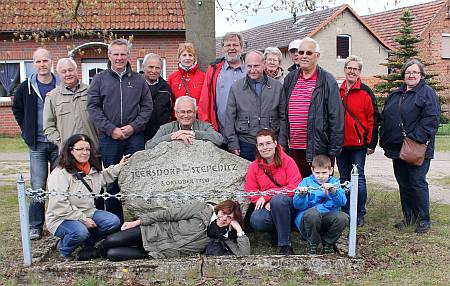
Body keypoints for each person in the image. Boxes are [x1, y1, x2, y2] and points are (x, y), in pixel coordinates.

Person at [88, 39, 153, 224]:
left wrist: (134, 127)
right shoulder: (99, 79)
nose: (119, 58)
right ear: (109, 56)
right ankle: (115, 223)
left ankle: (140, 222)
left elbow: (147, 108)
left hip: (134, 137)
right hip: (109, 139)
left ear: (128, 55)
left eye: (122, 54)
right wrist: (111, 129)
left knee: (137, 179)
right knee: (111, 182)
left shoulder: (139, 80)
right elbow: (93, 108)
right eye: (115, 54)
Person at [76, 200, 250, 261]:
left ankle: (104, 253)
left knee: (114, 254)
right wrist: (138, 222)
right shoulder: (202, 209)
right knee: (111, 241)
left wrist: (239, 231)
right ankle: (96, 252)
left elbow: (243, 255)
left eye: (229, 217)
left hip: (160, 252)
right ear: (218, 209)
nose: (223, 218)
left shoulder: (223, 238)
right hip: (154, 232)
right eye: (223, 213)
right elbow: (169, 214)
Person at [379, 59, 440, 234]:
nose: (411, 75)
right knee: (404, 184)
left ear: (421, 75)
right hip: (398, 149)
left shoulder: (427, 94)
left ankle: (423, 219)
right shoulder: (396, 94)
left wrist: (414, 139)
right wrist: (385, 139)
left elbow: (431, 121)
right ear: (403, 75)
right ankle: (409, 217)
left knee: (417, 182)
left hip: (417, 149)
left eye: (415, 72)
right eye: (408, 72)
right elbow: (386, 118)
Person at [46, 134, 129, 259]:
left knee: (113, 222)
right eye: (80, 149)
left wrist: (119, 166)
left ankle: (86, 244)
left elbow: (104, 178)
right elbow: (59, 204)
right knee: (80, 232)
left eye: (87, 149)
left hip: (88, 211)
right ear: (70, 150)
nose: (85, 153)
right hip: (62, 217)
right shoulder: (60, 173)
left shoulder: (92, 168)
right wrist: (82, 219)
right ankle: (64, 249)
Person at [12, 47, 59, 240]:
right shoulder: (26, 87)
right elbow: (17, 109)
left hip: (58, 143)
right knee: (38, 186)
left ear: (51, 62)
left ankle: (58, 223)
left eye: (45, 61)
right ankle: (35, 226)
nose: (42, 65)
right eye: (38, 62)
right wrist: (26, 131)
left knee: (59, 186)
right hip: (37, 144)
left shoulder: (60, 84)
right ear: (34, 64)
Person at [283, 37, 344, 179]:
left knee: (318, 190)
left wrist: (333, 152)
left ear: (317, 56)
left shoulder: (328, 80)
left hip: (319, 148)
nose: (304, 56)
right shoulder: (290, 79)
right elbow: (283, 113)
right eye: (301, 52)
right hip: (294, 148)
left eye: (309, 53)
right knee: (297, 189)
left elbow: (336, 118)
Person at [336, 55, 380, 228]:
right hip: (341, 144)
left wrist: (371, 143)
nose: (352, 71)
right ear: (345, 69)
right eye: (349, 68)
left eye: (355, 69)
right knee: (344, 179)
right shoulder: (338, 91)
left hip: (358, 145)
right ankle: (346, 210)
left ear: (359, 71)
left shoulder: (365, 92)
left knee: (359, 179)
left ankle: (360, 212)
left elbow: (373, 118)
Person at [245, 129, 301, 255]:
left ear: (275, 143)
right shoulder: (254, 166)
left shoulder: (288, 162)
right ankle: (276, 233)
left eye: (268, 143)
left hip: (288, 205)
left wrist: (268, 196)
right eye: (261, 144)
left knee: (278, 200)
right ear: (257, 147)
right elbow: (251, 191)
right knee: (256, 219)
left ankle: (285, 245)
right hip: (268, 208)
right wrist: (265, 203)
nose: (265, 147)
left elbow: (294, 187)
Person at [225, 50, 287, 161]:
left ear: (263, 64)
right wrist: (233, 143)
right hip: (245, 143)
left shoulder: (277, 87)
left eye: (256, 66)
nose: (252, 70)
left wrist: (281, 143)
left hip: (270, 144)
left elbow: (283, 118)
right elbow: (229, 117)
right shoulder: (236, 88)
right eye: (249, 66)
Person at [293, 155, 348, 255]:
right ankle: (312, 244)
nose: (321, 176)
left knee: (343, 217)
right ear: (312, 171)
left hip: (327, 217)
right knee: (312, 214)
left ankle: (328, 243)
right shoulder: (305, 182)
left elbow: (342, 202)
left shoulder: (335, 183)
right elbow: (297, 206)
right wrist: (301, 195)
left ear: (330, 171)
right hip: (308, 219)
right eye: (317, 173)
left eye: (324, 173)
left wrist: (333, 191)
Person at [43, 58, 98, 149]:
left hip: (92, 150)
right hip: (68, 153)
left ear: (76, 71)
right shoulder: (52, 97)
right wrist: (61, 143)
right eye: (64, 72)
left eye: (70, 70)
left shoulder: (91, 92)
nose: (68, 74)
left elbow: (101, 118)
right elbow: (48, 127)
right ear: (59, 75)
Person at [198, 32, 247, 133]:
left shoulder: (250, 69)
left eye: (235, 45)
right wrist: (206, 126)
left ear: (241, 47)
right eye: (228, 45)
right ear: (223, 48)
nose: (231, 48)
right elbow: (205, 100)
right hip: (220, 131)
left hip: (247, 133)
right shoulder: (214, 70)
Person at [145, 96, 223, 149]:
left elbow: (219, 140)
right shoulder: (165, 128)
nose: (185, 116)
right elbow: (149, 146)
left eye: (189, 112)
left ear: (195, 113)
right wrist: (172, 137)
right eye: (182, 112)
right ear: (176, 113)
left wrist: (193, 134)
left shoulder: (205, 126)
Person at [141, 53, 172, 142]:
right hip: (140, 135)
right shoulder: (135, 86)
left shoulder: (166, 88)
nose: (154, 71)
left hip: (161, 136)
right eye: (150, 67)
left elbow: (169, 110)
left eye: (157, 68)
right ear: (143, 67)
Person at [167, 42, 205, 107]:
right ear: (179, 58)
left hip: (197, 115)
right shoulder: (172, 78)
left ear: (194, 58)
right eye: (184, 55)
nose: (187, 58)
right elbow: (170, 101)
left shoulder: (203, 77)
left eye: (190, 55)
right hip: (178, 116)